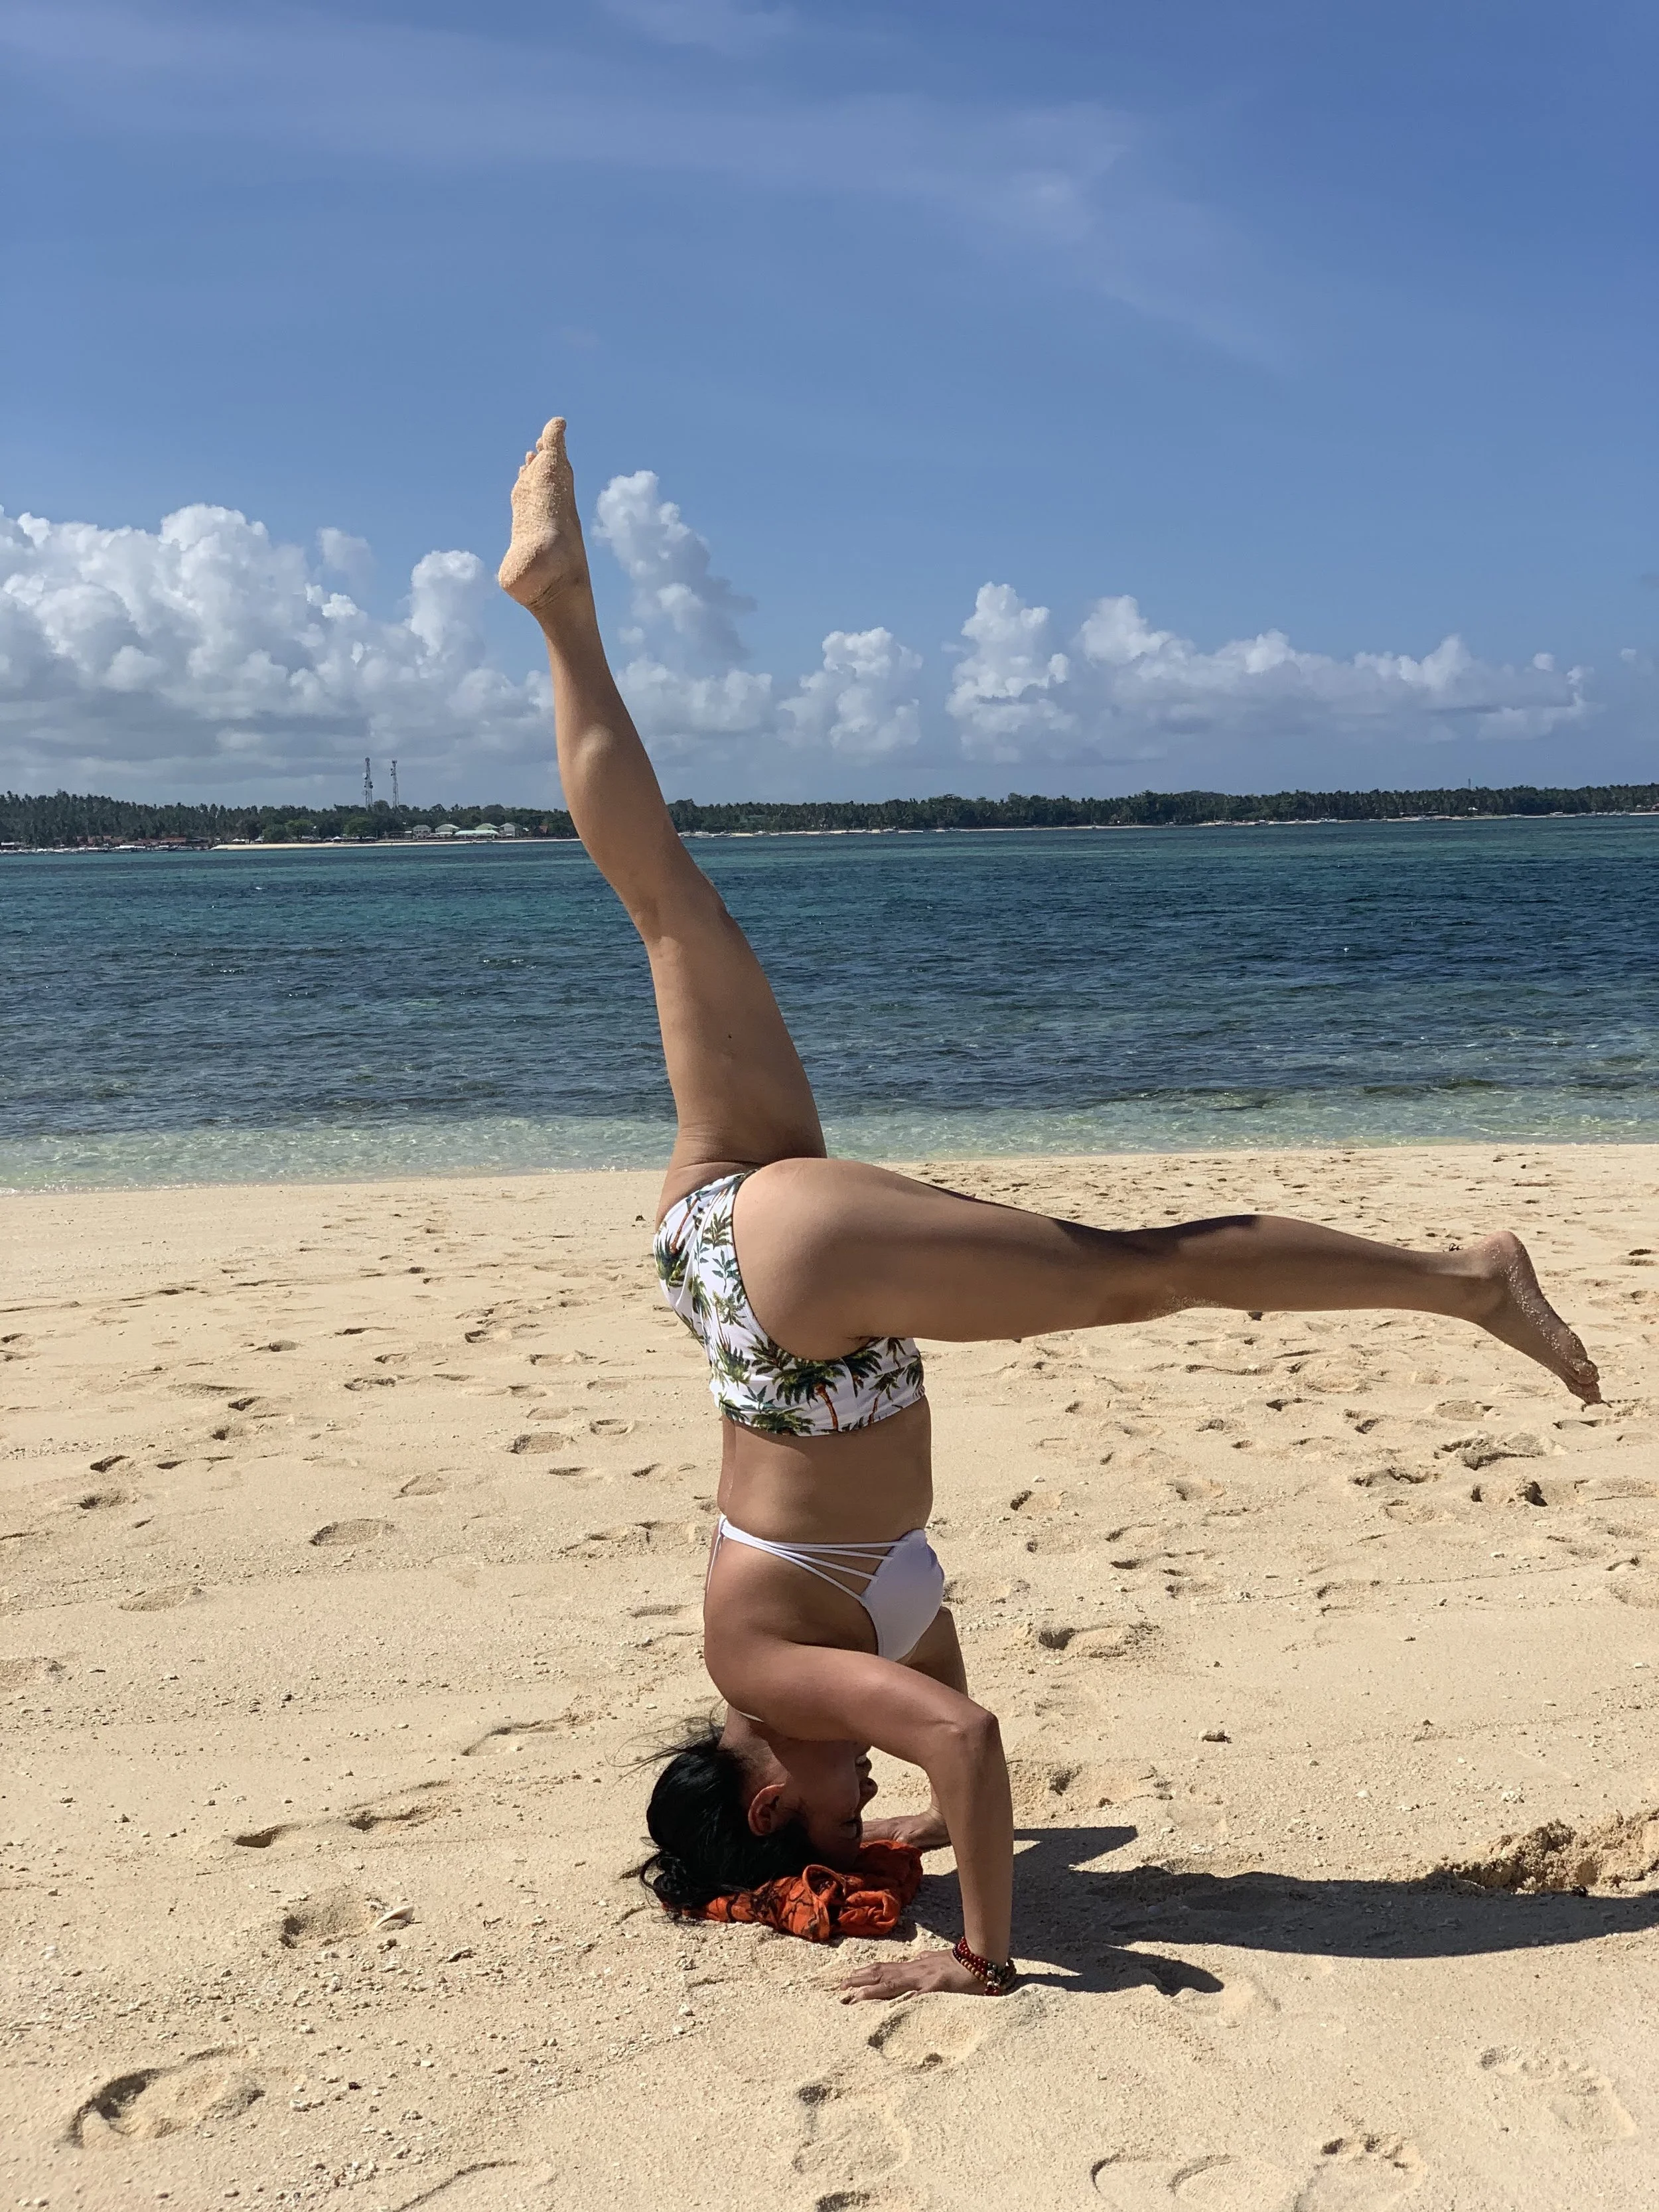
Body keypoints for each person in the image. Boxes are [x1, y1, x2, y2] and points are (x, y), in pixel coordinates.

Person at [498, 418, 1601, 2002]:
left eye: (827, 1820)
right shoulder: (834, 1659)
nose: (862, 1811)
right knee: (668, 904)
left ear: (759, 1793)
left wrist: (978, 1959)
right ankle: (558, 607)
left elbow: (960, 1738)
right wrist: (957, 1842)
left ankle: (1463, 1276)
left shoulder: (760, 1667)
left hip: (801, 1307)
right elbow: (944, 1745)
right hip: (728, 1265)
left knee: (1134, 1276)